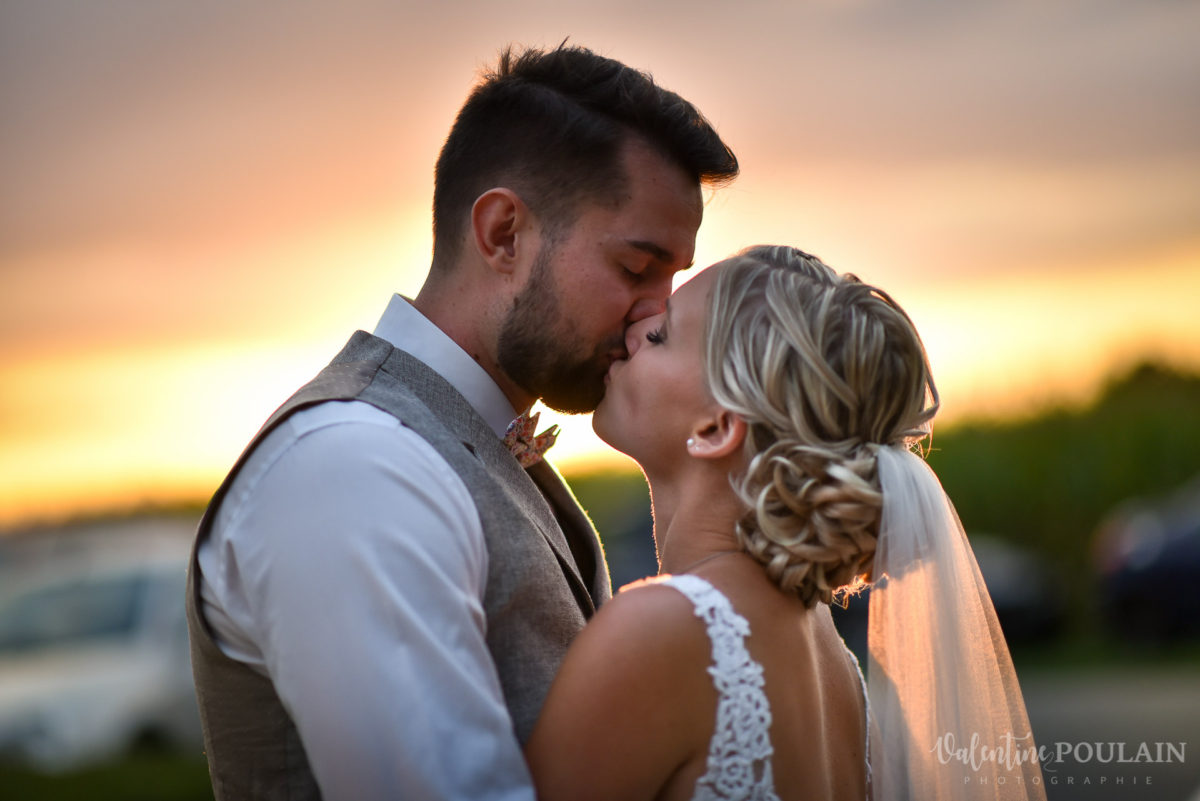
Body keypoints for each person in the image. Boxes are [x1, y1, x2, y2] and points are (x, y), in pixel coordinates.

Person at [184, 44, 738, 800]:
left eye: (672, 280)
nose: (655, 313)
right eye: (637, 270)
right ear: (504, 232)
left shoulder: (454, 447)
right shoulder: (352, 465)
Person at [525, 245, 1047, 801]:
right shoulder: (835, 666)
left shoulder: (660, 632)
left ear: (717, 428)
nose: (631, 330)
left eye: (661, 337)